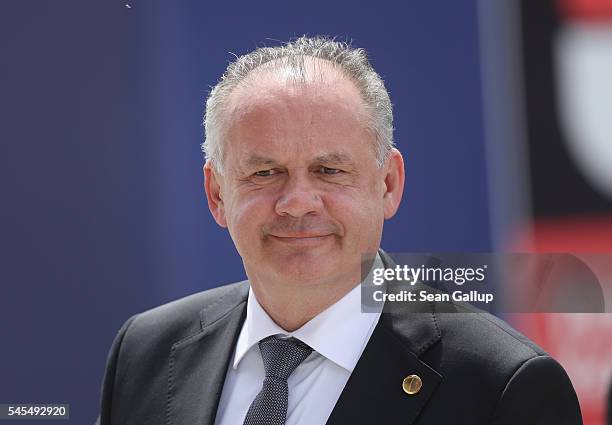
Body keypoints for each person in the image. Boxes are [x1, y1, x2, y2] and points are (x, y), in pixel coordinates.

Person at [95, 36, 582, 425]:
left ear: (388, 185)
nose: (298, 202)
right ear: (217, 194)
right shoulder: (148, 353)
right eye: (265, 173)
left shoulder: (499, 385)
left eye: (329, 171)